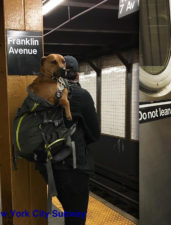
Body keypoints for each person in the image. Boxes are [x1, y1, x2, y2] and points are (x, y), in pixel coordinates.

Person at [52, 55, 100, 225]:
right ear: (77, 75)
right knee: (76, 218)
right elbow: (95, 134)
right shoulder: (81, 95)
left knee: (69, 213)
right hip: (76, 167)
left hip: (55, 167)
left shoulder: (48, 94)